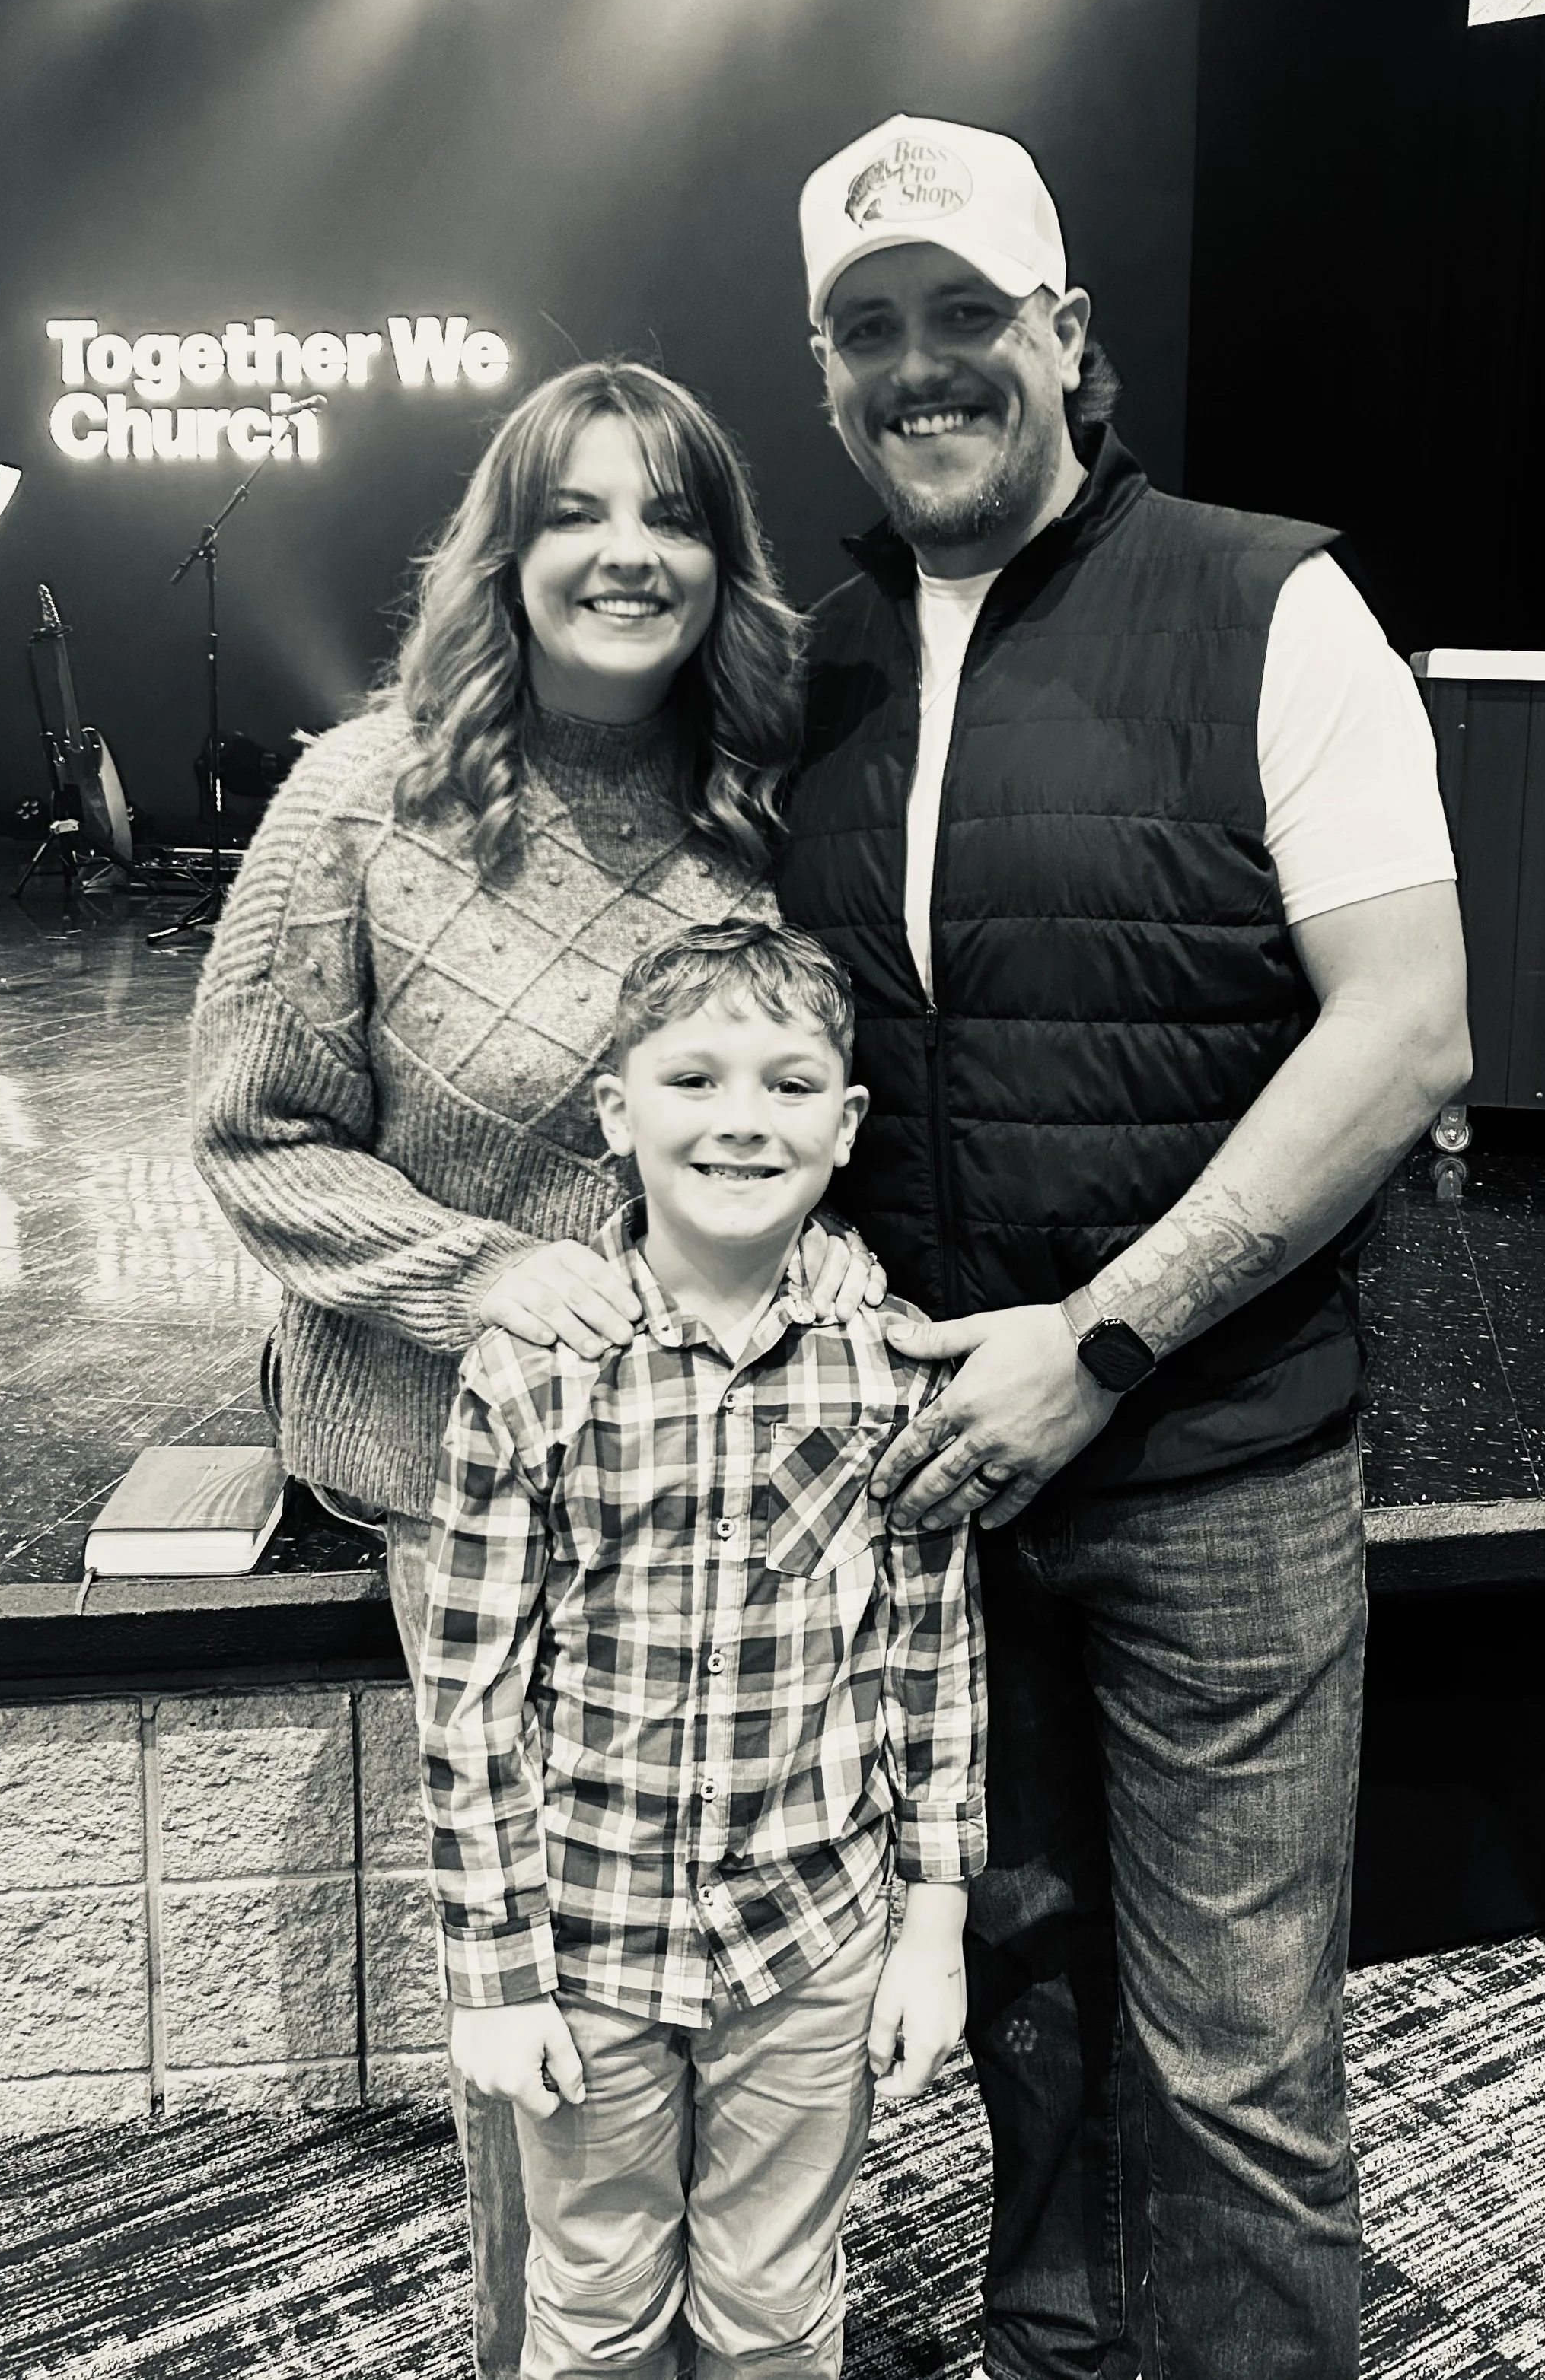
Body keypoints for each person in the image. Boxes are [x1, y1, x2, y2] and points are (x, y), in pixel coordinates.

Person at [772, 116, 1472, 2378]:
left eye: (965, 314)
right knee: (1025, 2008)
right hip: (935, 1497)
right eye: (868, 330)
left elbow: (1406, 1031)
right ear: (823, 376)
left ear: (1066, 336)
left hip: (1209, 1466)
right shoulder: (817, 657)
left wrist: (1100, 1333)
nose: (921, 367)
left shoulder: (1275, 602)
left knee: (1238, 2074)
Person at [190, 362, 870, 2380]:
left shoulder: (768, 802)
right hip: (461, 1472)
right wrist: (475, 1272)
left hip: (731, 1481)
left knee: (739, 2006)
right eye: (570, 511)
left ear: (718, 565)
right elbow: (252, 1133)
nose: (622, 550)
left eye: (666, 513)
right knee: (549, 2005)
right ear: (507, 551)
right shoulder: (362, 795)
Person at [416, 916, 986, 2380]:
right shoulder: (531, 1372)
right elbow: (470, 1692)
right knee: (594, 2300)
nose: (743, 1118)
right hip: (587, 1938)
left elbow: (933, 1656)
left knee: (775, 2302)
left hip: (812, 1938)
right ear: (616, 1111)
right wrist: (490, 1966)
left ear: (848, 1125)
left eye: (791, 1085)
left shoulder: (891, 1361)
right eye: (695, 1079)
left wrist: (933, 1927)